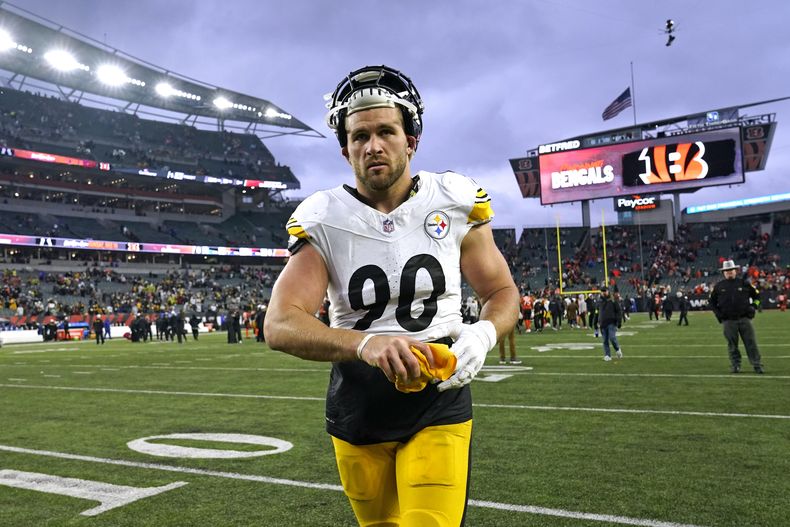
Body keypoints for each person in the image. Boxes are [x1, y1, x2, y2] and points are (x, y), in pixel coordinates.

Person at [264, 65, 519, 527]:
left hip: (436, 394)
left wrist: (482, 335)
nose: (373, 145)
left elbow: (501, 291)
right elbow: (280, 323)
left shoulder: (454, 200)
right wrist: (365, 343)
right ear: (345, 149)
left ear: (411, 140)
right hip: (358, 405)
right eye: (359, 136)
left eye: (386, 131)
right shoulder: (324, 217)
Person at [709, 259, 764, 374]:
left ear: (735, 271)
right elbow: (712, 303)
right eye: (726, 270)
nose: (729, 272)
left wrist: (754, 306)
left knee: (751, 342)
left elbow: (758, 297)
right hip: (728, 321)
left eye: (731, 270)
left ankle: (757, 365)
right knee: (732, 345)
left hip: (744, 318)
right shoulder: (719, 287)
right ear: (723, 272)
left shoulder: (744, 283)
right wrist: (718, 314)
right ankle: (735, 365)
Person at [597, 287, 622, 361]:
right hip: (602, 323)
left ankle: (617, 349)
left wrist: (619, 321)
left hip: (611, 322)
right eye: (602, 291)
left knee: (612, 338)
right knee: (605, 340)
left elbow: (618, 311)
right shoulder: (600, 301)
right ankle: (607, 355)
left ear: (608, 291)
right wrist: (596, 322)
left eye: (605, 291)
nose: (603, 293)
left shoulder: (613, 300)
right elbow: (598, 312)